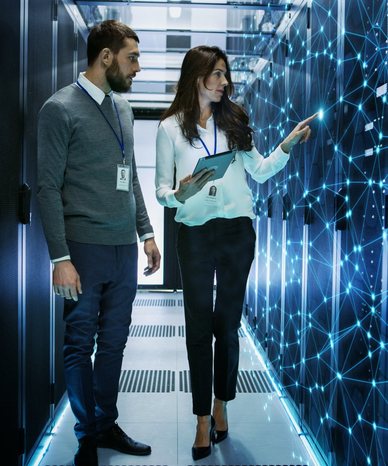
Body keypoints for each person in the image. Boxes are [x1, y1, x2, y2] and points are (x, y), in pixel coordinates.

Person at [155, 45, 316, 461]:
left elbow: (259, 171)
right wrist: (178, 192)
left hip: (237, 233)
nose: (226, 82)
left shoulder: (234, 121)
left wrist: (286, 145)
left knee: (227, 325)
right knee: (197, 327)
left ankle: (221, 405)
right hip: (192, 233)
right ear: (198, 77)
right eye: (218, 74)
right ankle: (201, 419)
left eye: (226, 75)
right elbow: (160, 190)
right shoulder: (171, 128)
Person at [37, 20, 161, 466]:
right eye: (132, 57)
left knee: (114, 343)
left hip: (123, 248)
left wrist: (146, 234)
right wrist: (60, 257)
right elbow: (47, 189)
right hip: (82, 250)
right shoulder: (59, 109)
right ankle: (87, 433)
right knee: (79, 342)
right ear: (105, 57)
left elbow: (130, 183)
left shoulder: (122, 109)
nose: (138, 67)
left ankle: (105, 423)